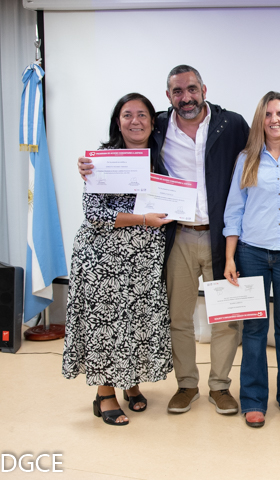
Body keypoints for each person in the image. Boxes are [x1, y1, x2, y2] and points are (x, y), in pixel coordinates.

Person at [78, 65, 280, 417]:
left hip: (219, 237)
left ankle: (220, 386)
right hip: (178, 236)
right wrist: (90, 166)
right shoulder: (156, 126)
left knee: (227, 318)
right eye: (177, 91)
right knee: (179, 316)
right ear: (168, 96)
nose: (186, 97)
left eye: (191, 89)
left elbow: (268, 141)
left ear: (204, 89)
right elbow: (122, 149)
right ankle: (186, 385)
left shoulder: (230, 124)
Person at [63, 93, 174, 426]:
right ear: (118, 122)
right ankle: (105, 394)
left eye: (142, 115)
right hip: (103, 260)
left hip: (144, 259)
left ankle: (131, 382)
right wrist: (143, 220)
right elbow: (94, 214)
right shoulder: (102, 161)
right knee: (106, 324)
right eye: (127, 115)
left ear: (153, 122)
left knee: (136, 322)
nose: (135, 121)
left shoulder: (162, 158)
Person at [224, 91, 280, 428]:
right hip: (252, 252)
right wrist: (230, 258)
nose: (275, 119)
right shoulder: (246, 159)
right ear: (261, 119)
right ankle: (253, 399)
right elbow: (234, 210)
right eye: (269, 114)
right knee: (255, 328)